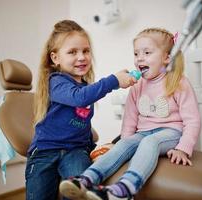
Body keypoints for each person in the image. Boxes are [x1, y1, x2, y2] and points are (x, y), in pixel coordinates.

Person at [59, 27, 201, 200]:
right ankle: (86, 179)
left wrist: (183, 149)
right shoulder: (138, 85)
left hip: (171, 133)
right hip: (143, 133)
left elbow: (192, 120)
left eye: (147, 52)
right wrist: (126, 145)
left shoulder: (178, 82)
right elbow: (130, 118)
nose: (140, 58)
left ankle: (126, 189)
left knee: (150, 142)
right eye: (136, 54)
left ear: (166, 58)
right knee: (123, 144)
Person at [25, 19, 137, 200]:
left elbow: (81, 123)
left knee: (80, 190)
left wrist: (92, 148)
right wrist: (114, 80)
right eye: (72, 52)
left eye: (86, 51)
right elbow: (79, 98)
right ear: (55, 58)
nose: (81, 57)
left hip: (75, 151)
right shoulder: (56, 82)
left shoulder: (86, 88)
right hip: (45, 152)